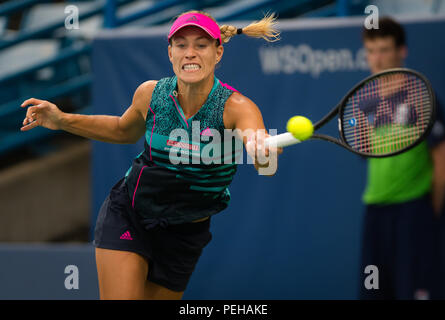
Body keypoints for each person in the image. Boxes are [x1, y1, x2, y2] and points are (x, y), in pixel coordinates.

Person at [19, 11, 282, 299]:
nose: (190, 53)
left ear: (218, 53)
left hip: (185, 234)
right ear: (170, 52)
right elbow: (122, 130)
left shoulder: (238, 108)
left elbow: (264, 163)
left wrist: (262, 151)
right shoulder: (150, 94)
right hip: (131, 214)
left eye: (201, 45)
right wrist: (62, 120)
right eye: (181, 45)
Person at [359, 16, 445, 300]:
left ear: (402, 51)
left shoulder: (422, 96)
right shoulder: (364, 101)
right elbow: (368, 153)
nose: (377, 58)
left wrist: (427, 212)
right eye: (371, 51)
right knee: (375, 294)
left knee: (413, 293)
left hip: (413, 212)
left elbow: (443, 165)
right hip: (376, 211)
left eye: (384, 49)